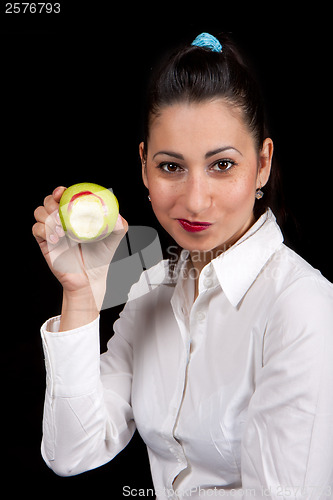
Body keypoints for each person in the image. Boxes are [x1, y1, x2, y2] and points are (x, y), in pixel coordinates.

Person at [32, 33, 333, 499]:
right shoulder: (153, 287)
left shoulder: (303, 309)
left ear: (263, 164)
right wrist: (81, 296)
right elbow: (73, 451)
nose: (194, 200)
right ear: (145, 167)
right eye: (172, 167)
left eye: (222, 165)